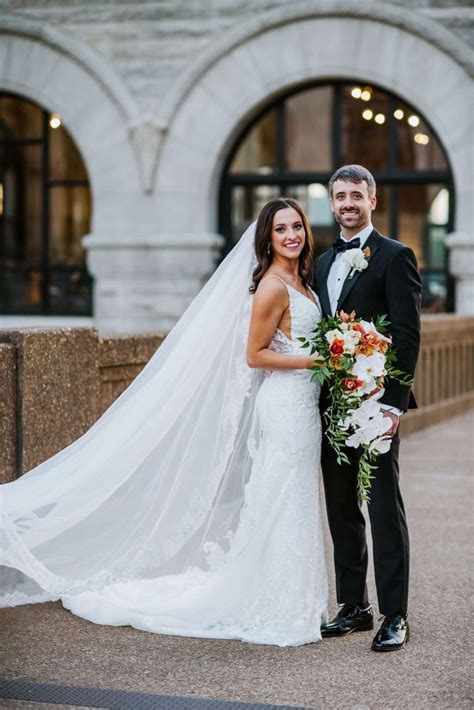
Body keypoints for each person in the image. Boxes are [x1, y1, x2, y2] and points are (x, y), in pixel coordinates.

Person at [0, 198, 328, 647]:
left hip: (304, 406)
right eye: (280, 229)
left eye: (296, 226)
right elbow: (254, 355)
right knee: (281, 496)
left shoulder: (303, 281)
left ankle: (292, 597)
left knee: (292, 497)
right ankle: (273, 601)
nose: (291, 235)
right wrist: (320, 357)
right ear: (266, 239)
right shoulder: (272, 285)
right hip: (286, 405)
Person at [314, 164, 422, 652]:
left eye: (356, 195)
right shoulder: (320, 262)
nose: (347, 204)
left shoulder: (396, 257)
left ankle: (395, 614)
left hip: (377, 406)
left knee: (382, 508)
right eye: (339, 197)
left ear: (371, 201)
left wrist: (395, 406)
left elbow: (407, 333)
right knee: (341, 508)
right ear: (331, 203)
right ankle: (353, 605)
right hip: (331, 408)